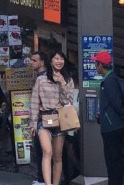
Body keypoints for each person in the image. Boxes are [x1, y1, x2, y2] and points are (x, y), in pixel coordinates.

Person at [29, 51, 74, 185]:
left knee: (57, 157)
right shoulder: (41, 79)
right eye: (56, 58)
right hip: (44, 118)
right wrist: (32, 123)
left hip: (59, 119)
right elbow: (34, 101)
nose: (59, 61)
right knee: (47, 151)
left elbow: (68, 102)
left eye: (61, 59)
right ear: (51, 61)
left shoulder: (68, 80)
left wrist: (62, 84)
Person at [94, 51, 124, 185]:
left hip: (112, 126)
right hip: (112, 124)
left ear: (100, 65)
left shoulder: (109, 81)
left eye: (96, 64)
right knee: (114, 158)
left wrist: (114, 116)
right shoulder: (111, 79)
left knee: (112, 159)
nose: (95, 67)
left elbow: (116, 103)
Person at [28, 52, 47, 185]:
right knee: (41, 150)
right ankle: (42, 178)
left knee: (43, 150)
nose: (31, 62)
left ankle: (43, 179)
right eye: (31, 60)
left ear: (42, 62)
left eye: (34, 60)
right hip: (40, 119)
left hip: (43, 119)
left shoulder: (44, 78)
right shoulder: (40, 77)